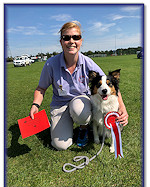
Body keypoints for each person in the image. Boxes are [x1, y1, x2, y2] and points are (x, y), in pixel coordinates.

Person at [29, 21, 128, 150]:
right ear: (61, 42)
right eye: (66, 38)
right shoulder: (50, 64)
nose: (71, 41)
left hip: (80, 104)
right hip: (60, 104)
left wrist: (122, 107)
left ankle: (83, 129)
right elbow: (41, 88)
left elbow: (109, 85)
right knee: (61, 146)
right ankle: (61, 124)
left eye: (76, 37)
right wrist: (35, 105)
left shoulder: (88, 62)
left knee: (80, 110)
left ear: (81, 41)